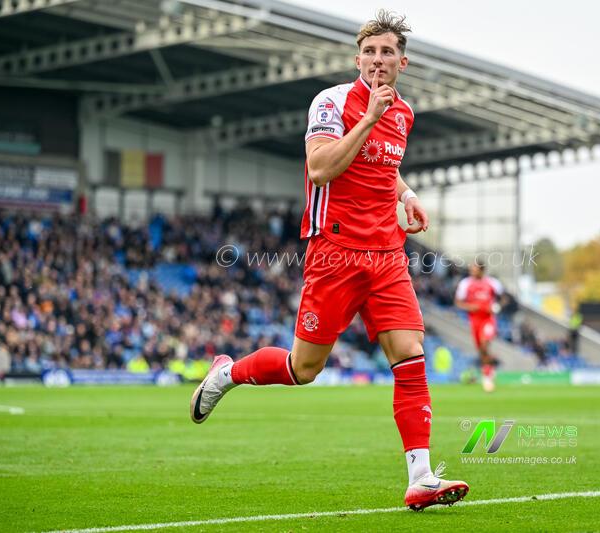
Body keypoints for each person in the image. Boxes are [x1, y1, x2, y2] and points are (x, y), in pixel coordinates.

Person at [189, 10, 469, 511]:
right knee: (304, 368)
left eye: (387, 53)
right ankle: (227, 374)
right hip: (334, 252)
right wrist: (368, 118)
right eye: (370, 52)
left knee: (410, 357)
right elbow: (320, 169)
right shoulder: (334, 102)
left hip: (386, 254)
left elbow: (385, 165)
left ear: (402, 62)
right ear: (357, 58)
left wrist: (407, 194)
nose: (378, 60)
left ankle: (421, 476)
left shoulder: (403, 113)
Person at [455, 261, 507, 392]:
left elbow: (504, 298)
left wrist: (497, 306)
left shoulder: (492, 283)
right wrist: (471, 307)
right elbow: (458, 302)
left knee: (484, 344)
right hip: (474, 321)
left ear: (481, 269)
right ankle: (489, 369)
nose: (471, 270)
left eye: (474, 268)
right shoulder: (465, 283)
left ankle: (487, 377)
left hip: (488, 319)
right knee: (481, 350)